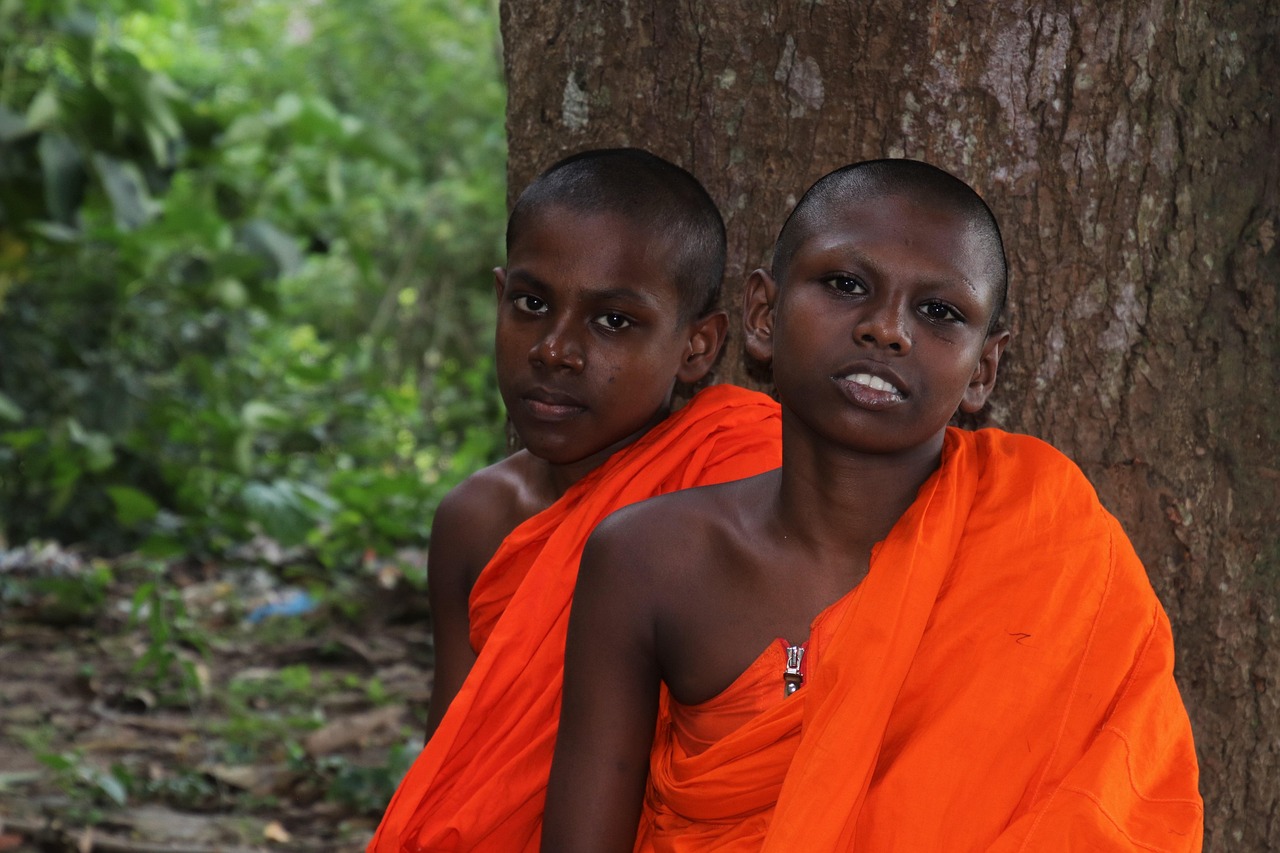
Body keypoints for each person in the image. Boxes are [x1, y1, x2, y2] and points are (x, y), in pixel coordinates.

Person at [543, 158, 1203, 852]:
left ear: (983, 368)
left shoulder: (1051, 542)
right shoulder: (649, 558)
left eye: (939, 311)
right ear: (763, 315)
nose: (887, 329)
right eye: (846, 284)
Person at [368, 148, 783, 851]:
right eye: (531, 304)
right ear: (500, 295)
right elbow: (460, 776)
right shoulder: (475, 521)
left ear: (698, 346)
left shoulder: (739, 482)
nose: (555, 350)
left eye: (613, 321)